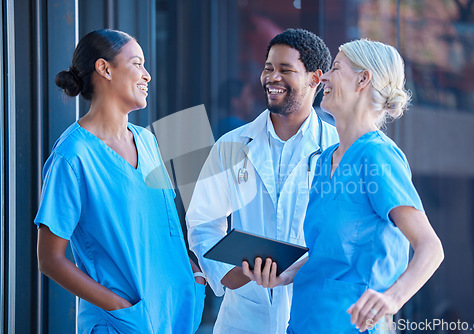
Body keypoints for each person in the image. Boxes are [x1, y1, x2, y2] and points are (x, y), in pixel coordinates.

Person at [242, 39, 444, 333]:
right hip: (303, 323)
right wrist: (286, 273)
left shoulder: (377, 156)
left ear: (363, 79)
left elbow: (431, 247)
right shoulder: (325, 160)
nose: (323, 76)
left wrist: (391, 299)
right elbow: (327, 252)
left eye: (335, 68)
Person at [34, 29, 205, 333]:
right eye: (137, 64)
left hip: (176, 314)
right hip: (124, 323)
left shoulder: (147, 141)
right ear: (105, 68)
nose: (147, 75)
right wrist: (118, 307)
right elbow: (50, 259)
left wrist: (194, 277)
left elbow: (163, 228)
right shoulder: (73, 155)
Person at [186, 28, 339, 334]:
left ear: (315, 78)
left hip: (314, 311)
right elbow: (203, 220)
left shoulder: (338, 149)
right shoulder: (232, 145)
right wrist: (227, 273)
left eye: (286, 69)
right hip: (244, 315)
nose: (272, 77)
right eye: (268, 68)